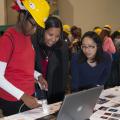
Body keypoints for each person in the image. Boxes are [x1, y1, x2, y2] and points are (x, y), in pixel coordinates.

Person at [0, 0, 50, 116]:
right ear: (23, 16)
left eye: (37, 27)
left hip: (28, 95)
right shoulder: (7, 39)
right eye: (34, 25)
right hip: (14, 99)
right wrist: (23, 96)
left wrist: (38, 76)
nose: (35, 30)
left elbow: (21, 66)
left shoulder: (27, 37)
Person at [32, 16, 69, 104]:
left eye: (57, 36)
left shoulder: (62, 46)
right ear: (43, 31)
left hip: (54, 90)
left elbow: (64, 74)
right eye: (50, 34)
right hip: (34, 90)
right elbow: (26, 67)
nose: (53, 39)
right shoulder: (33, 43)